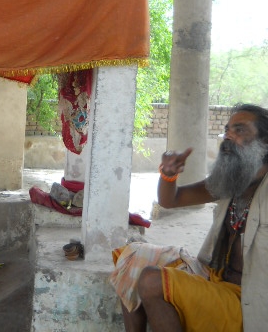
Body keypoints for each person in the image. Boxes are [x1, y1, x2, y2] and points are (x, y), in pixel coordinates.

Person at [111, 103, 268, 332]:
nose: (228, 136)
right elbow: (171, 200)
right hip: (214, 278)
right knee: (133, 256)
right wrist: (168, 174)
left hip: (249, 302)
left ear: (265, 142)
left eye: (240, 130)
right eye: (227, 130)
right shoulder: (231, 180)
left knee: (151, 280)